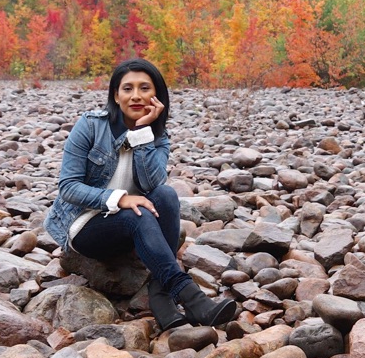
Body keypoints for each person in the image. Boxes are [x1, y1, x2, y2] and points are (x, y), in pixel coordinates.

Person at [44, 58, 236, 329]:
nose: (136, 96)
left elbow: (154, 183)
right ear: (115, 95)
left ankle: (159, 296)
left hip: (133, 222)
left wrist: (143, 133)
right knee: (139, 214)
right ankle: (190, 296)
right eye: (127, 89)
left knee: (167, 195)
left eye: (144, 88)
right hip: (84, 225)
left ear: (156, 95)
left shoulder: (158, 137)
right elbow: (68, 187)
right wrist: (119, 199)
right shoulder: (90, 126)